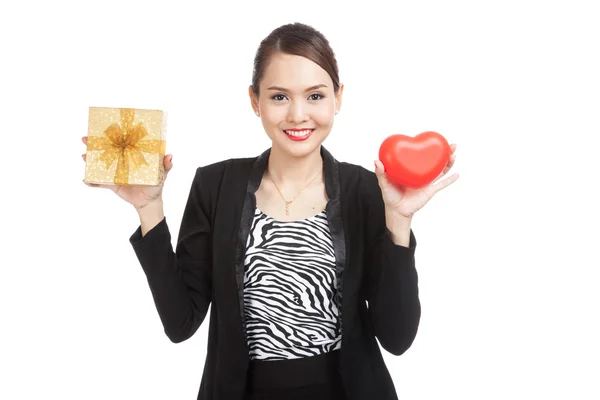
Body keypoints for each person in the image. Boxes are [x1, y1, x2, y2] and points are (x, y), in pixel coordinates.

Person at [82, 22, 458, 400]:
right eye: (279, 97)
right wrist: (150, 209)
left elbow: (398, 338)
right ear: (254, 100)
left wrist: (399, 220)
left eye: (315, 96)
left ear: (338, 98)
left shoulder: (367, 189)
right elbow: (181, 324)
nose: (297, 115)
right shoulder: (216, 186)